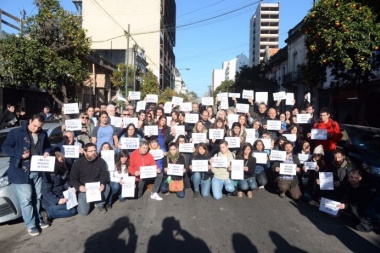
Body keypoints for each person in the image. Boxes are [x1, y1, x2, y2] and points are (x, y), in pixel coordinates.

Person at [2, 114, 52, 236]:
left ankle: (38, 220)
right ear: (30, 121)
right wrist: (19, 154)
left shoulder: (43, 134)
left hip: (38, 170)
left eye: (39, 127)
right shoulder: (15, 132)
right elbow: (5, 147)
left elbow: (48, 147)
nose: (36, 129)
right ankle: (30, 225)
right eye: (34, 126)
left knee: (37, 197)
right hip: (20, 172)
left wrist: (47, 152)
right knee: (26, 200)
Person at [70, 143, 111, 215]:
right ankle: (90, 202)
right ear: (85, 152)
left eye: (94, 151)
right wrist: (79, 187)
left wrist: (102, 183)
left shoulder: (100, 161)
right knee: (83, 213)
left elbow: (104, 174)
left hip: (97, 187)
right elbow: (73, 179)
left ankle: (100, 204)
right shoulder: (78, 163)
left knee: (107, 187)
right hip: (84, 189)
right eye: (91, 151)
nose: (93, 153)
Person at [41, 152, 77, 225]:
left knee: (75, 207)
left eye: (62, 160)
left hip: (62, 196)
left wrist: (69, 187)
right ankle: (48, 213)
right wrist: (58, 201)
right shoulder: (48, 174)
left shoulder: (62, 171)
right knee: (73, 211)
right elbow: (45, 192)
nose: (61, 162)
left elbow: (64, 182)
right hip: (50, 202)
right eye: (59, 160)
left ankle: (50, 213)